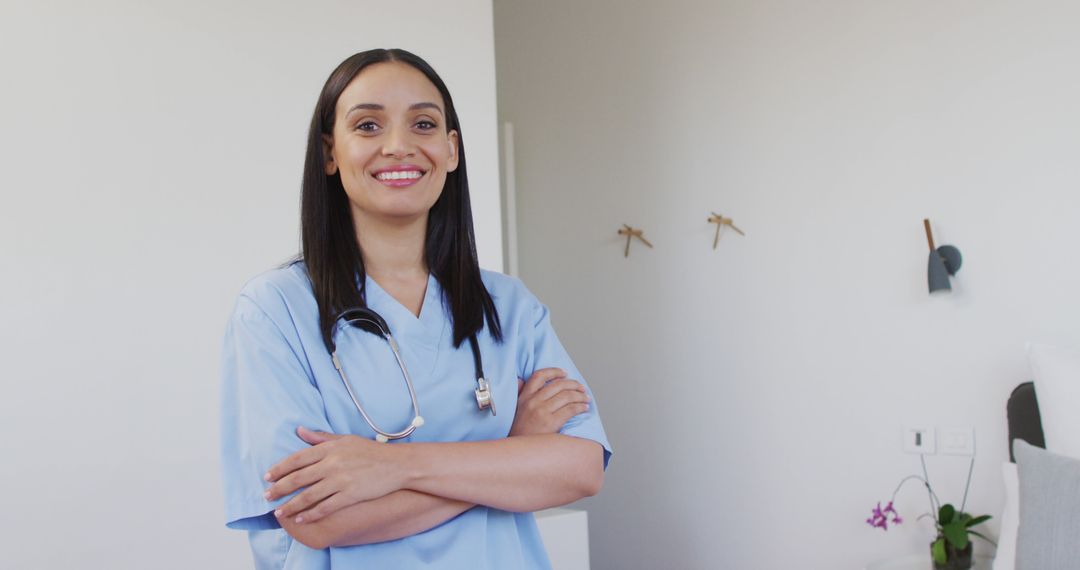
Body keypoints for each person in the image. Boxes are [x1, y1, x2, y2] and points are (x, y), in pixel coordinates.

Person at [219, 48, 611, 569]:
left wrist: (389, 466)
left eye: (423, 124)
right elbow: (316, 519)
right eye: (368, 126)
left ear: (451, 150)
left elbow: (582, 468)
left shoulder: (510, 307)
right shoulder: (274, 311)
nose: (399, 146)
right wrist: (513, 451)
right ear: (329, 153)